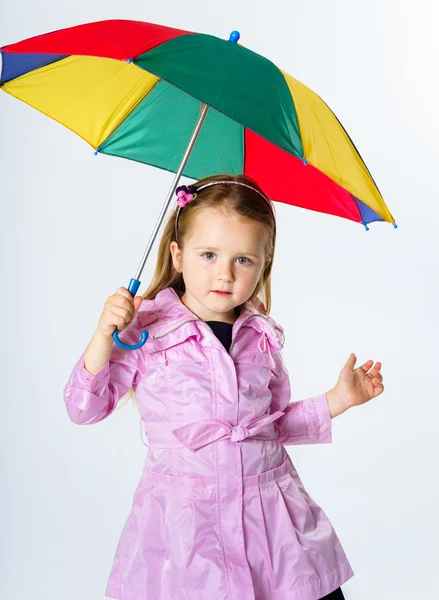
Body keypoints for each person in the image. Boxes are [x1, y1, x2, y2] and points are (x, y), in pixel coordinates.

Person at [63, 173, 384, 600]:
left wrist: (338, 399)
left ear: (263, 265)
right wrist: (103, 335)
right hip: (185, 528)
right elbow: (84, 407)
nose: (225, 274)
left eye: (243, 260)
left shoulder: (261, 335)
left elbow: (270, 426)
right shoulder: (144, 331)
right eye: (209, 254)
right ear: (177, 255)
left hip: (270, 522)